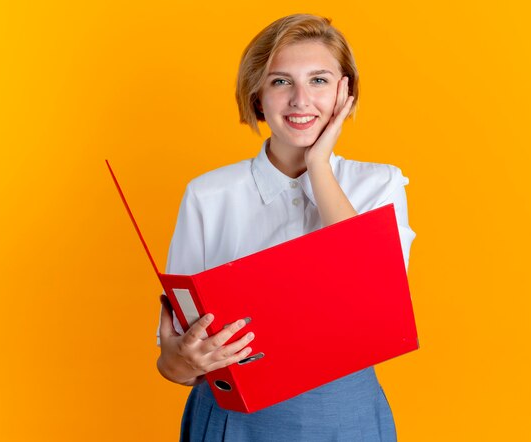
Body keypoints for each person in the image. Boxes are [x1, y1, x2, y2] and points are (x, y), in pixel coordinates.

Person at [156, 13, 415, 441]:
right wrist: (187, 362)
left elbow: (373, 292)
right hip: (233, 422)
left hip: (345, 419)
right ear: (257, 95)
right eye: (280, 82)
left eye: (318, 80)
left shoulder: (380, 184)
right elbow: (172, 364)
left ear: (344, 92)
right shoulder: (207, 195)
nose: (300, 99)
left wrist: (318, 166)